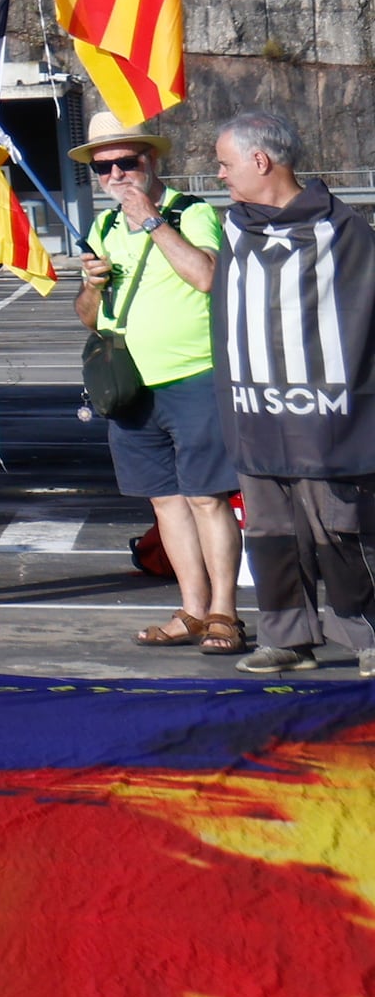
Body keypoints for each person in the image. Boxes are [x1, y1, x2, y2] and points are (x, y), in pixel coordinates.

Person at [214, 107, 375, 676]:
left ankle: (366, 634)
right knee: (270, 533)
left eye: (226, 165)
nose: (221, 178)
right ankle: (287, 637)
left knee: (342, 529)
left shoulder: (346, 229)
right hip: (255, 408)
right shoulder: (235, 228)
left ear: (261, 160)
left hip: (326, 411)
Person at [75, 115, 239, 653]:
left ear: (152, 161)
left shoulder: (192, 213)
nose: (117, 175)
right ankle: (192, 609)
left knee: (207, 499)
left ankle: (224, 614)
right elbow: (89, 318)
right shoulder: (102, 229)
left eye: (129, 162)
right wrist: (92, 288)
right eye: (105, 167)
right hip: (131, 386)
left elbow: (207, 276)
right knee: (166, 504)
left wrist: (150, 221)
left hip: (194, 376)